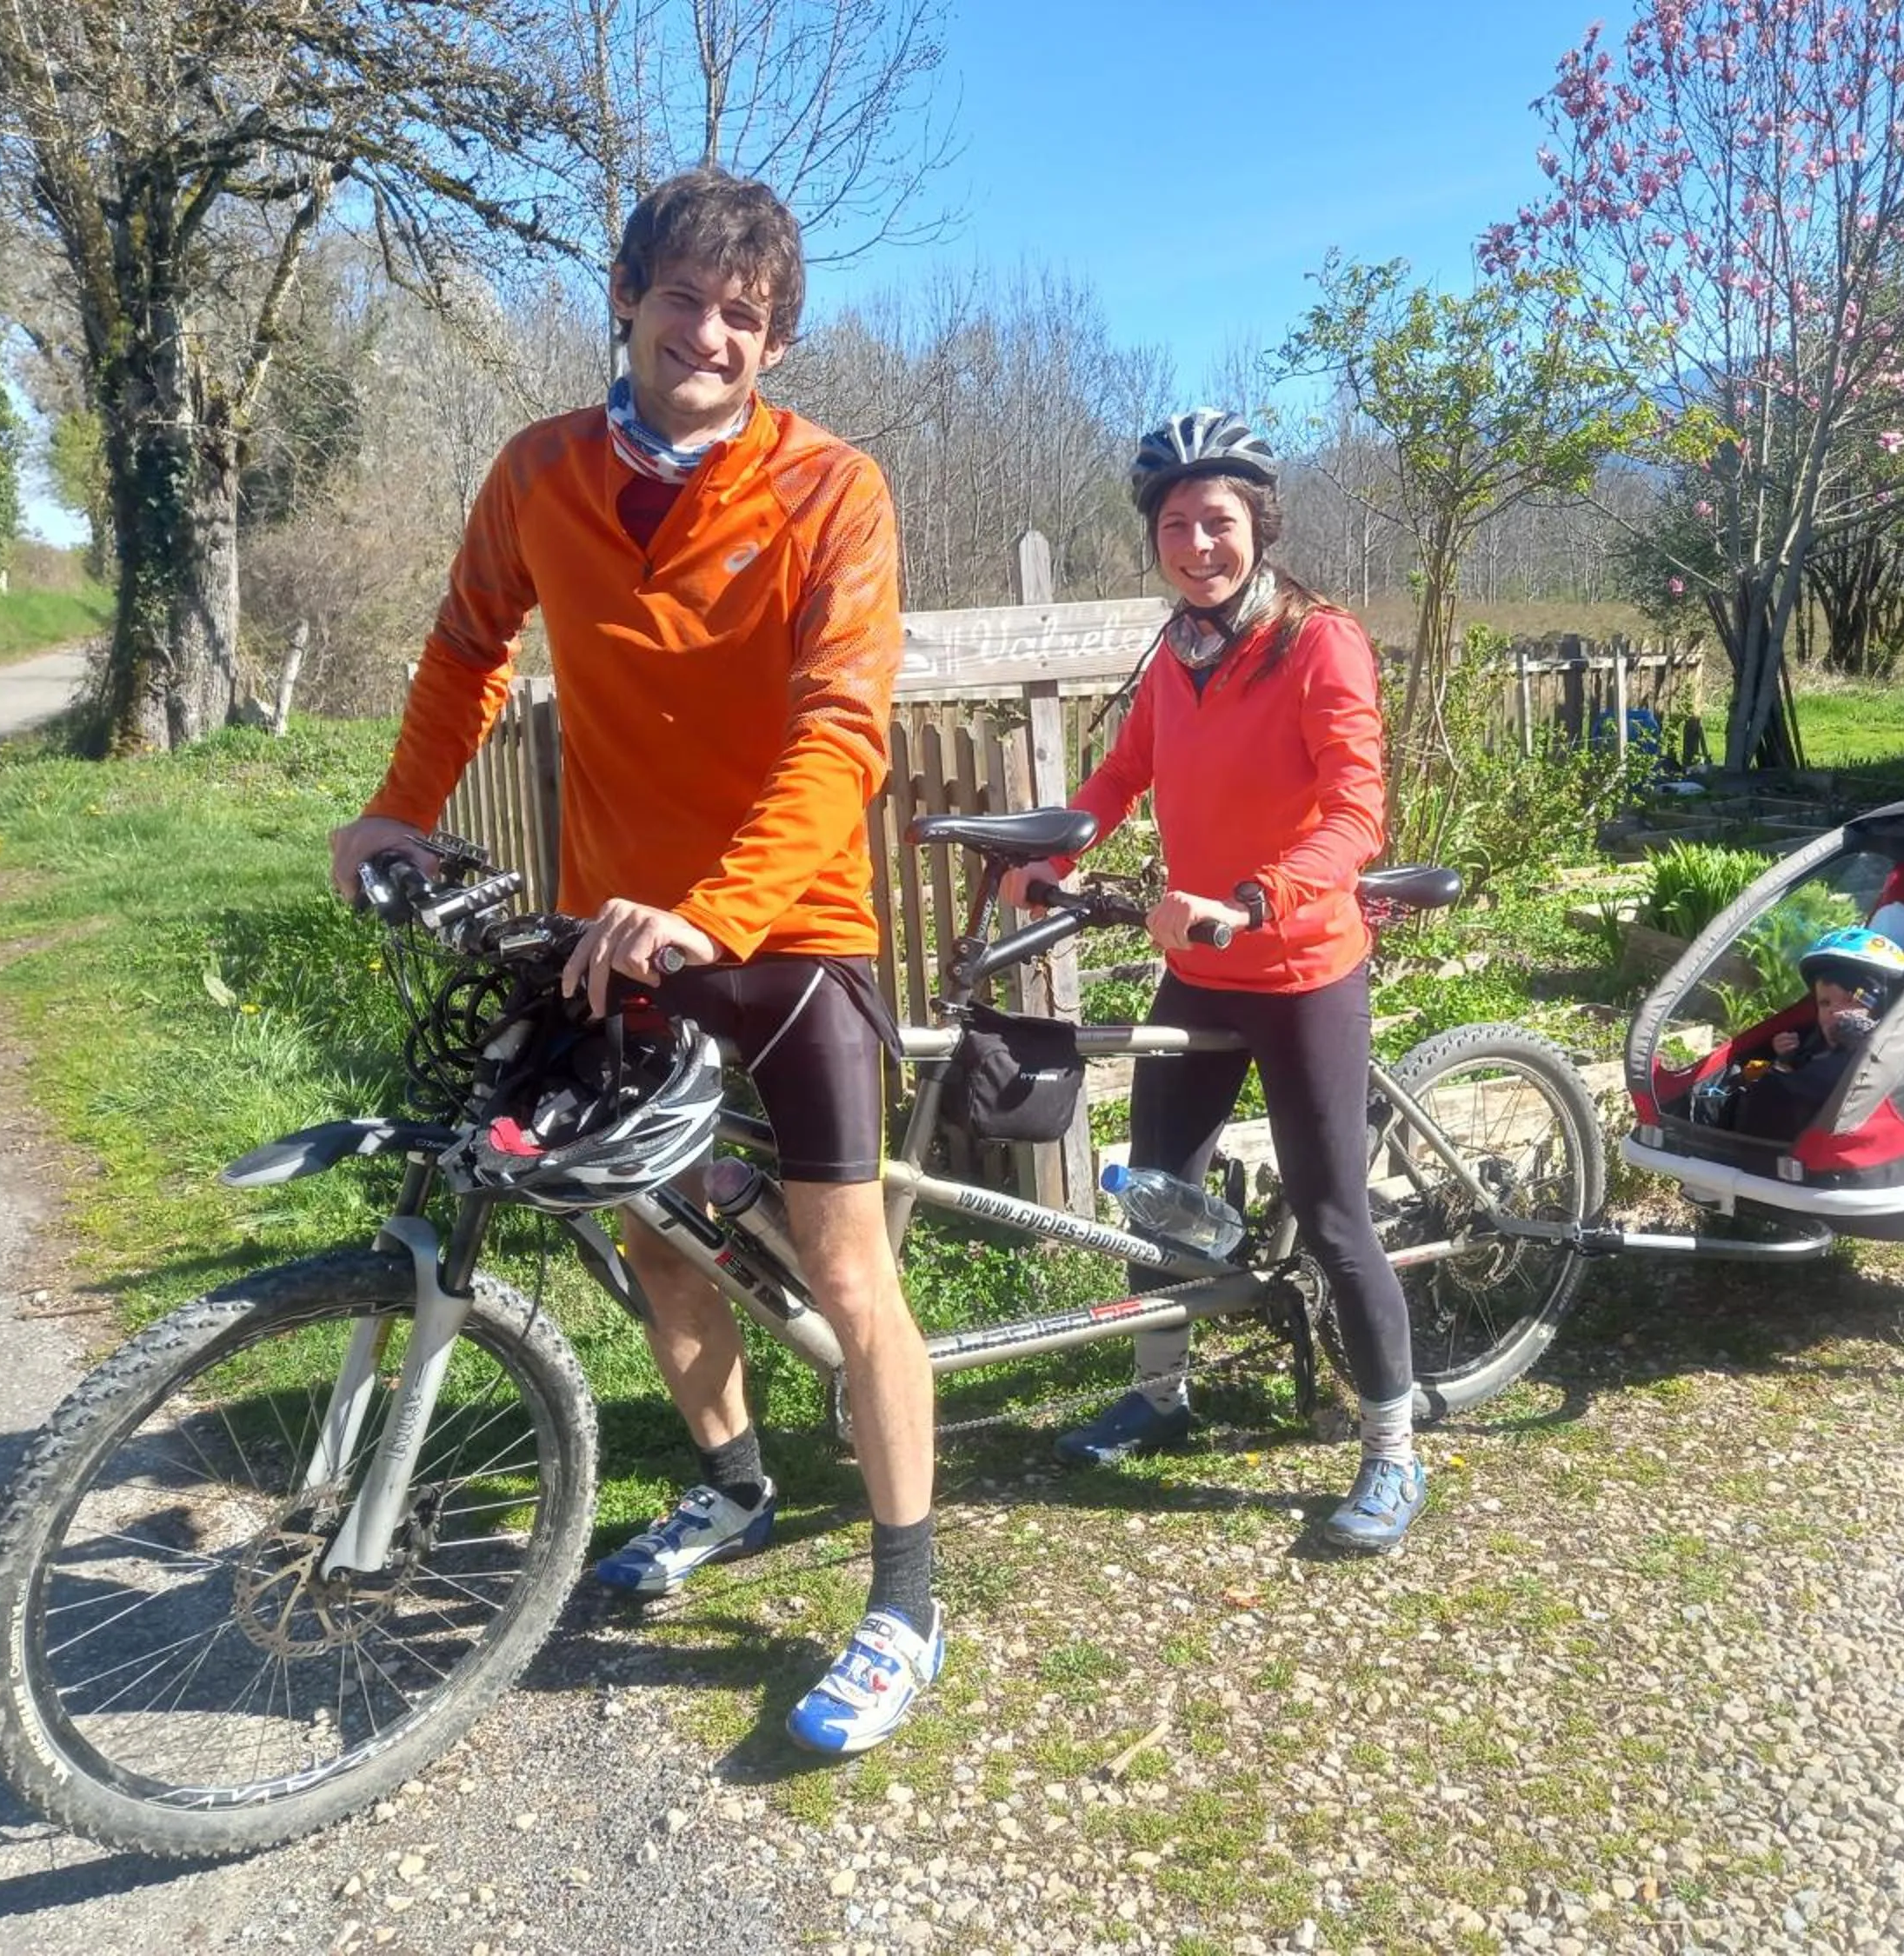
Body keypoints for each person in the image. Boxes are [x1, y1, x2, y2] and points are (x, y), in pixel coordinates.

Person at [327, 170, 941, 1756]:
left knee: (849, 1268)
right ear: (626, 298)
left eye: (745, 315)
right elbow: (470, 645)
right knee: (658, 1238)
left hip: (789, 928)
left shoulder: (834, 488)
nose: (709, 334)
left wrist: (719, 907)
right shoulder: (541, 471)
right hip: (614, 923)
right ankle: (733, 1486)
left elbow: (843, 726)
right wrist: (399, 811)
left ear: (775, 343)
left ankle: (904, 1599)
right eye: (684, 297)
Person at [997, 409, 1426, 1554]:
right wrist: (1056, 853)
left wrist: (1257, 895)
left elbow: (1357, 809)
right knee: (1156, 1193)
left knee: (1334, 1218)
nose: (1197, 545)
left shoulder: (1317, 642)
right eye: (1176, 524)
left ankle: (1393, 1447)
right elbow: (1123, 773)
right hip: (1199, 967)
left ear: (1260, 525)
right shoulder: (1178, 651)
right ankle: (1161, 1391)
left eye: (1218, 521)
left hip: (1299, 965)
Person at [1732, 926, 1904, 1141]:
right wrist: (1782, 1059)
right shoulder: (1812, 1042)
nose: (1834, 1011)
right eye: (1825, 1003)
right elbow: (1757, 1077)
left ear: (1878, 1008)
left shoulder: (1877, 1057)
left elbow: (1798, 1086)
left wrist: (1775, 1073)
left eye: (1850, 1000)